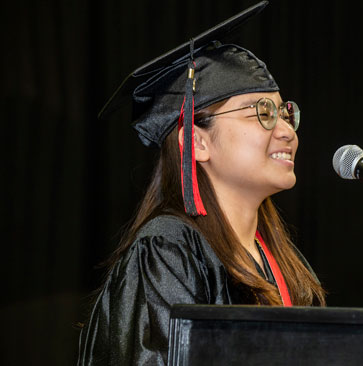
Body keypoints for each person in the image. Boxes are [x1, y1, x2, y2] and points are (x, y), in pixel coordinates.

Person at [77, 2, 325, 365]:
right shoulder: (166, 251)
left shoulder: (282, 260)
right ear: (198, 142)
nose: (287, 131)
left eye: (285, 113)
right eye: (263, 113)